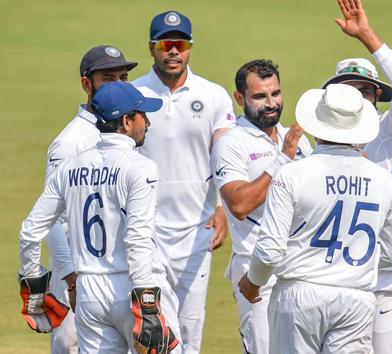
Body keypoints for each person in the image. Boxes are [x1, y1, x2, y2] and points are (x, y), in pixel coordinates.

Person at [238, 83, 392, 353]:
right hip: (356, 298)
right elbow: (391, 253)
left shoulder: (292, 174)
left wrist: (252, 282)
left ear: (317, 125)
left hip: (299, 295)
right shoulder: (385, 180)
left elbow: (269, 251)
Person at [18, 81, 182, 353]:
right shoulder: (140, 167)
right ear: (127, 122)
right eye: (143, 115)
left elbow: (30, 230)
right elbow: (138, 238)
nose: (149, 123)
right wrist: (148, 306)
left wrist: (34, 287)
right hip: (132, 286)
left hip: (88, 294)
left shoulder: (70, 168)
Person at [132, 10, 236, 353]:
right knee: (156, 330)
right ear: (152, 49)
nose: (173, 51)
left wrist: (222, 208)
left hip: (196, 231)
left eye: (180, 43)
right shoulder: (133, 94)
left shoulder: (213, 95)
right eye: (165, 43)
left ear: (190, 48)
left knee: (191, 331)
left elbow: (225, 158)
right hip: (146, 231)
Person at [321, 1, 392, 351]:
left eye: (363, 90)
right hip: (336, 274)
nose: (357, 98)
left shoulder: (390, 128)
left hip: (386, 274)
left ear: (378, 94)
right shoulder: (323, 141)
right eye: (347, 90)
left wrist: (367, 36)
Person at [211, 59, 312, 354]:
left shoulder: (296, 138)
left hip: (303, 267)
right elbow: (240, 204)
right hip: (256, 273)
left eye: (276, 94)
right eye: (260, 97)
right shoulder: (231, 143)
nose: (271, 103)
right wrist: (283, 159)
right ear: (240, 98)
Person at [44, 44, 138, 354]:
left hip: (115, 275)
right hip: (80, 278)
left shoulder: (124, 130)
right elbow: (52, 220)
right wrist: (71, 280)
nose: (119, 85)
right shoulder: (69, 143)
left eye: (123, 77)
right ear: (87, 85)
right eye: (108, 79)